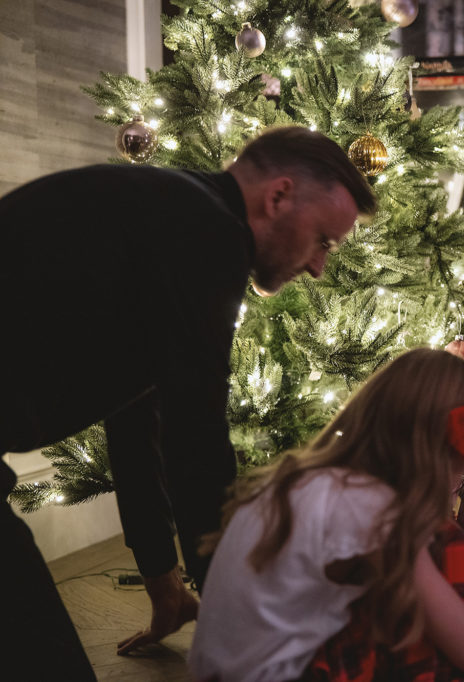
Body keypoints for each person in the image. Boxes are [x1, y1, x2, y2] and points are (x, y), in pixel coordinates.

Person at [0, 125, 377, 679]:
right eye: (324, 238)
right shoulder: (209, 232)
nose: (320, 265)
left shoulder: (167, 219)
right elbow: (196, 439)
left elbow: (136, 425)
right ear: (278, 196)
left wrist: (165, 582)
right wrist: (238, 605)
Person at [187, 349, 464, 682]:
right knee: (435, 578)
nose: (459, 476)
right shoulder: (368, 505)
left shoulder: (310, 482)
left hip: (223, 669)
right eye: (462, 459)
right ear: (435, 451)